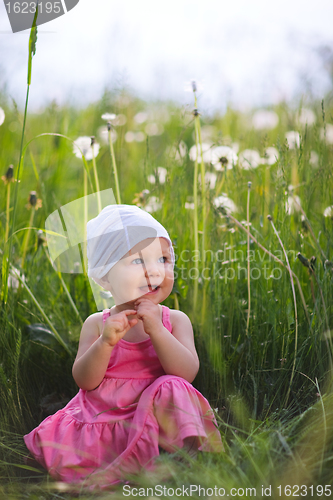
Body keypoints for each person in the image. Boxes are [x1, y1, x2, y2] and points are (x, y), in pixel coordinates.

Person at [24, 204, 223, 488]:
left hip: (158, 417)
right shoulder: (97, 324)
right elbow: (85, 381)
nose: (154, 271)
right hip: (108, 418)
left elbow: (187, 374)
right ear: (104, 276)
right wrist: (106, 342)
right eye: (138, 261)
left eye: (163, 259)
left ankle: (179, 459)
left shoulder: (175, 321)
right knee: (84, 447)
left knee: (171, 386)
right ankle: (127, 468)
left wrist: (156, 330)